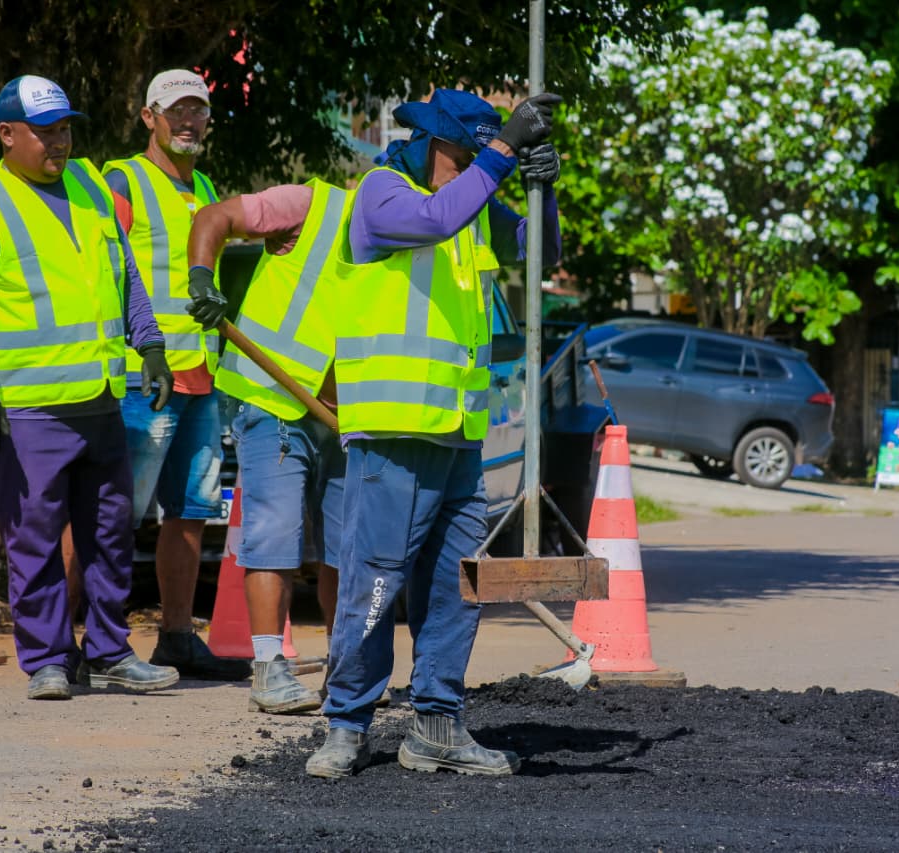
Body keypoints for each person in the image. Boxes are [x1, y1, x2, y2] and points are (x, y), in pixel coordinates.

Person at [306, 88, 563, 778]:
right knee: (376, 587)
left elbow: (541, 255)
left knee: (455, 589)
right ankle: (346, 724)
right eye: (463, 153)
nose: (470, 167)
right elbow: (434, 220)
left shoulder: (472, 196)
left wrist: (544, 194)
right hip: (392, 437)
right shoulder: (381, 193)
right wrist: (505, 152)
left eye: (478, 155)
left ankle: (437, 724)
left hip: (457, 440)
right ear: (425, 142)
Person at [0, 75, 180, 700]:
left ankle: (107, 652)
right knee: (36, 541)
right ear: (6, 134)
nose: (59, 143)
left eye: (65, 129)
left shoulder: (89, 186)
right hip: (30, 411)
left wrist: (151, 345)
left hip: (101, 401)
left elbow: (124, 273)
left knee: (109, 535)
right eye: (45, 132)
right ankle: (48, 659)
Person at [88, 69, 247, 681]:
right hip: (141, 379)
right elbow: (105, 270)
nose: (188, 121)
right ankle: (88, 647)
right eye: (175, 110)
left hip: (200, 376)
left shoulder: (204, 185)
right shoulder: (123, 179)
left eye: (198, 110)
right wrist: (140, 345)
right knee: (109, 515)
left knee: (188, 512)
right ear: (147, 116)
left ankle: (178, 637)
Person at [186, 179, 350, 713]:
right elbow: (213, 217)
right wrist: (201, 280)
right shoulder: (311, 206)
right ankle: (268, 669)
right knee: (275, 535)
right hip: (272, 399)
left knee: (345, 547)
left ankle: (345, 668)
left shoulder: (409, 236)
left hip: (349, 411)